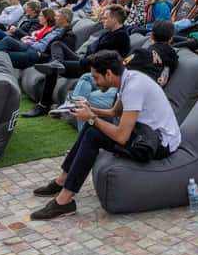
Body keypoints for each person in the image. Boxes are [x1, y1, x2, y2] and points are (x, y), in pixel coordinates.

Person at [29, 49, 180, 220]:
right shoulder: (128, 79)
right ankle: (62, 180)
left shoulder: (133, 87)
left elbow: (122, 137)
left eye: (96, 77)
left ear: (108, 73)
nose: (94, 81)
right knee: (91, 127)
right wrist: (88, 109)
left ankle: (63, 202)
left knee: (93, 132)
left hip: (157, 145)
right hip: (146, 134)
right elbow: (113, 113)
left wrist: (91, 118)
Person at [23, 5, 131, 118]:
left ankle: (43, 105)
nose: (102, 20)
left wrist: (88, 56)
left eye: (105, 18)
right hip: (85, 59)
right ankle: (57, 61)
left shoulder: (121, 37)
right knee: (57, 44)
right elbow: (92, 50)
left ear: (114, 20)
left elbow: (101, 57)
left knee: (52, 69)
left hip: (92, 67)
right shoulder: (108, 33)